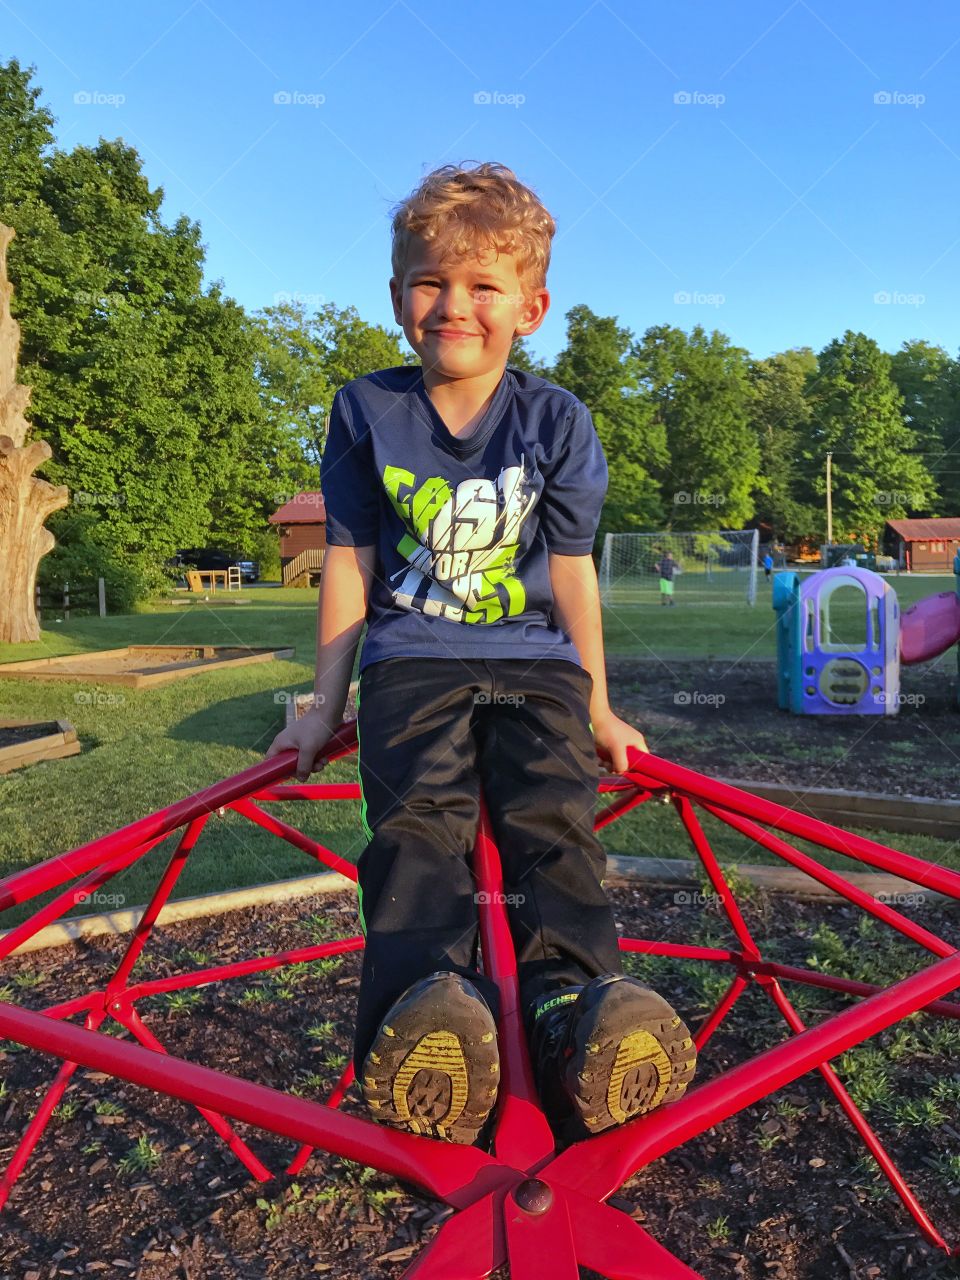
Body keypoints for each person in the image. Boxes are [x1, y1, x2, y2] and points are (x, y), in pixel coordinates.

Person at [266, 162, 696, 1149]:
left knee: (553, 818)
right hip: (413, 656)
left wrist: (597, 702)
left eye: (482, 285)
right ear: (396, 298)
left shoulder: (557, 422)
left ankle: (574, 1017)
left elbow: (576, 572)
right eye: (429, 281)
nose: (452, 305)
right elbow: (350, 557)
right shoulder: (366, 409)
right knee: (418, 825)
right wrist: (325, 700)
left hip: (537, 662)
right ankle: (427, 1016)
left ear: (531, 307)